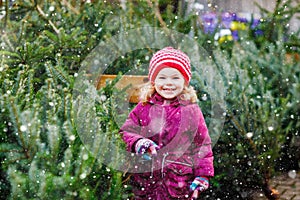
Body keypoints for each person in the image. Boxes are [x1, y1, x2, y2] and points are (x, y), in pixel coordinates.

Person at [119, 47, 214, 199]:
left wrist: (202, 175)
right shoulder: (144, 107)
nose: (168, 83)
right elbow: (127, 131)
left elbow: (201, 145)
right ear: (153, 80)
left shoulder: (191, 111)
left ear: (184, 81)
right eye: (162, 78)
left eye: (175, 78)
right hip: (146, 183)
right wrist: (139, 142)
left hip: (179, 184)